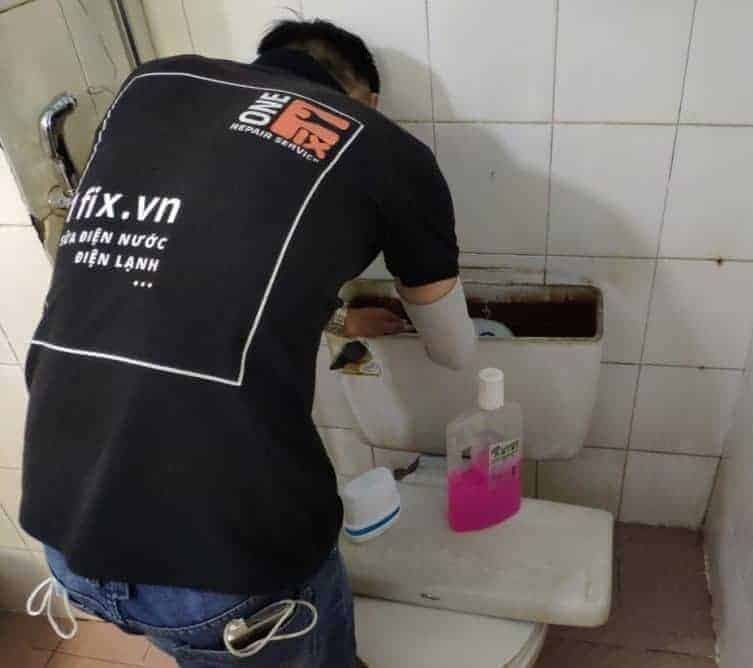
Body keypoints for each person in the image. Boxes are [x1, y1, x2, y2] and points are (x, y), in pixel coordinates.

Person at [20, 18, 475, 667]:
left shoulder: (151, 87)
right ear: (364, 97)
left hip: (66, 534)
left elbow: (181, 268)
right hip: (226, 568)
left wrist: (332, 320)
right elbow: (453, 350)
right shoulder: (384, 145)